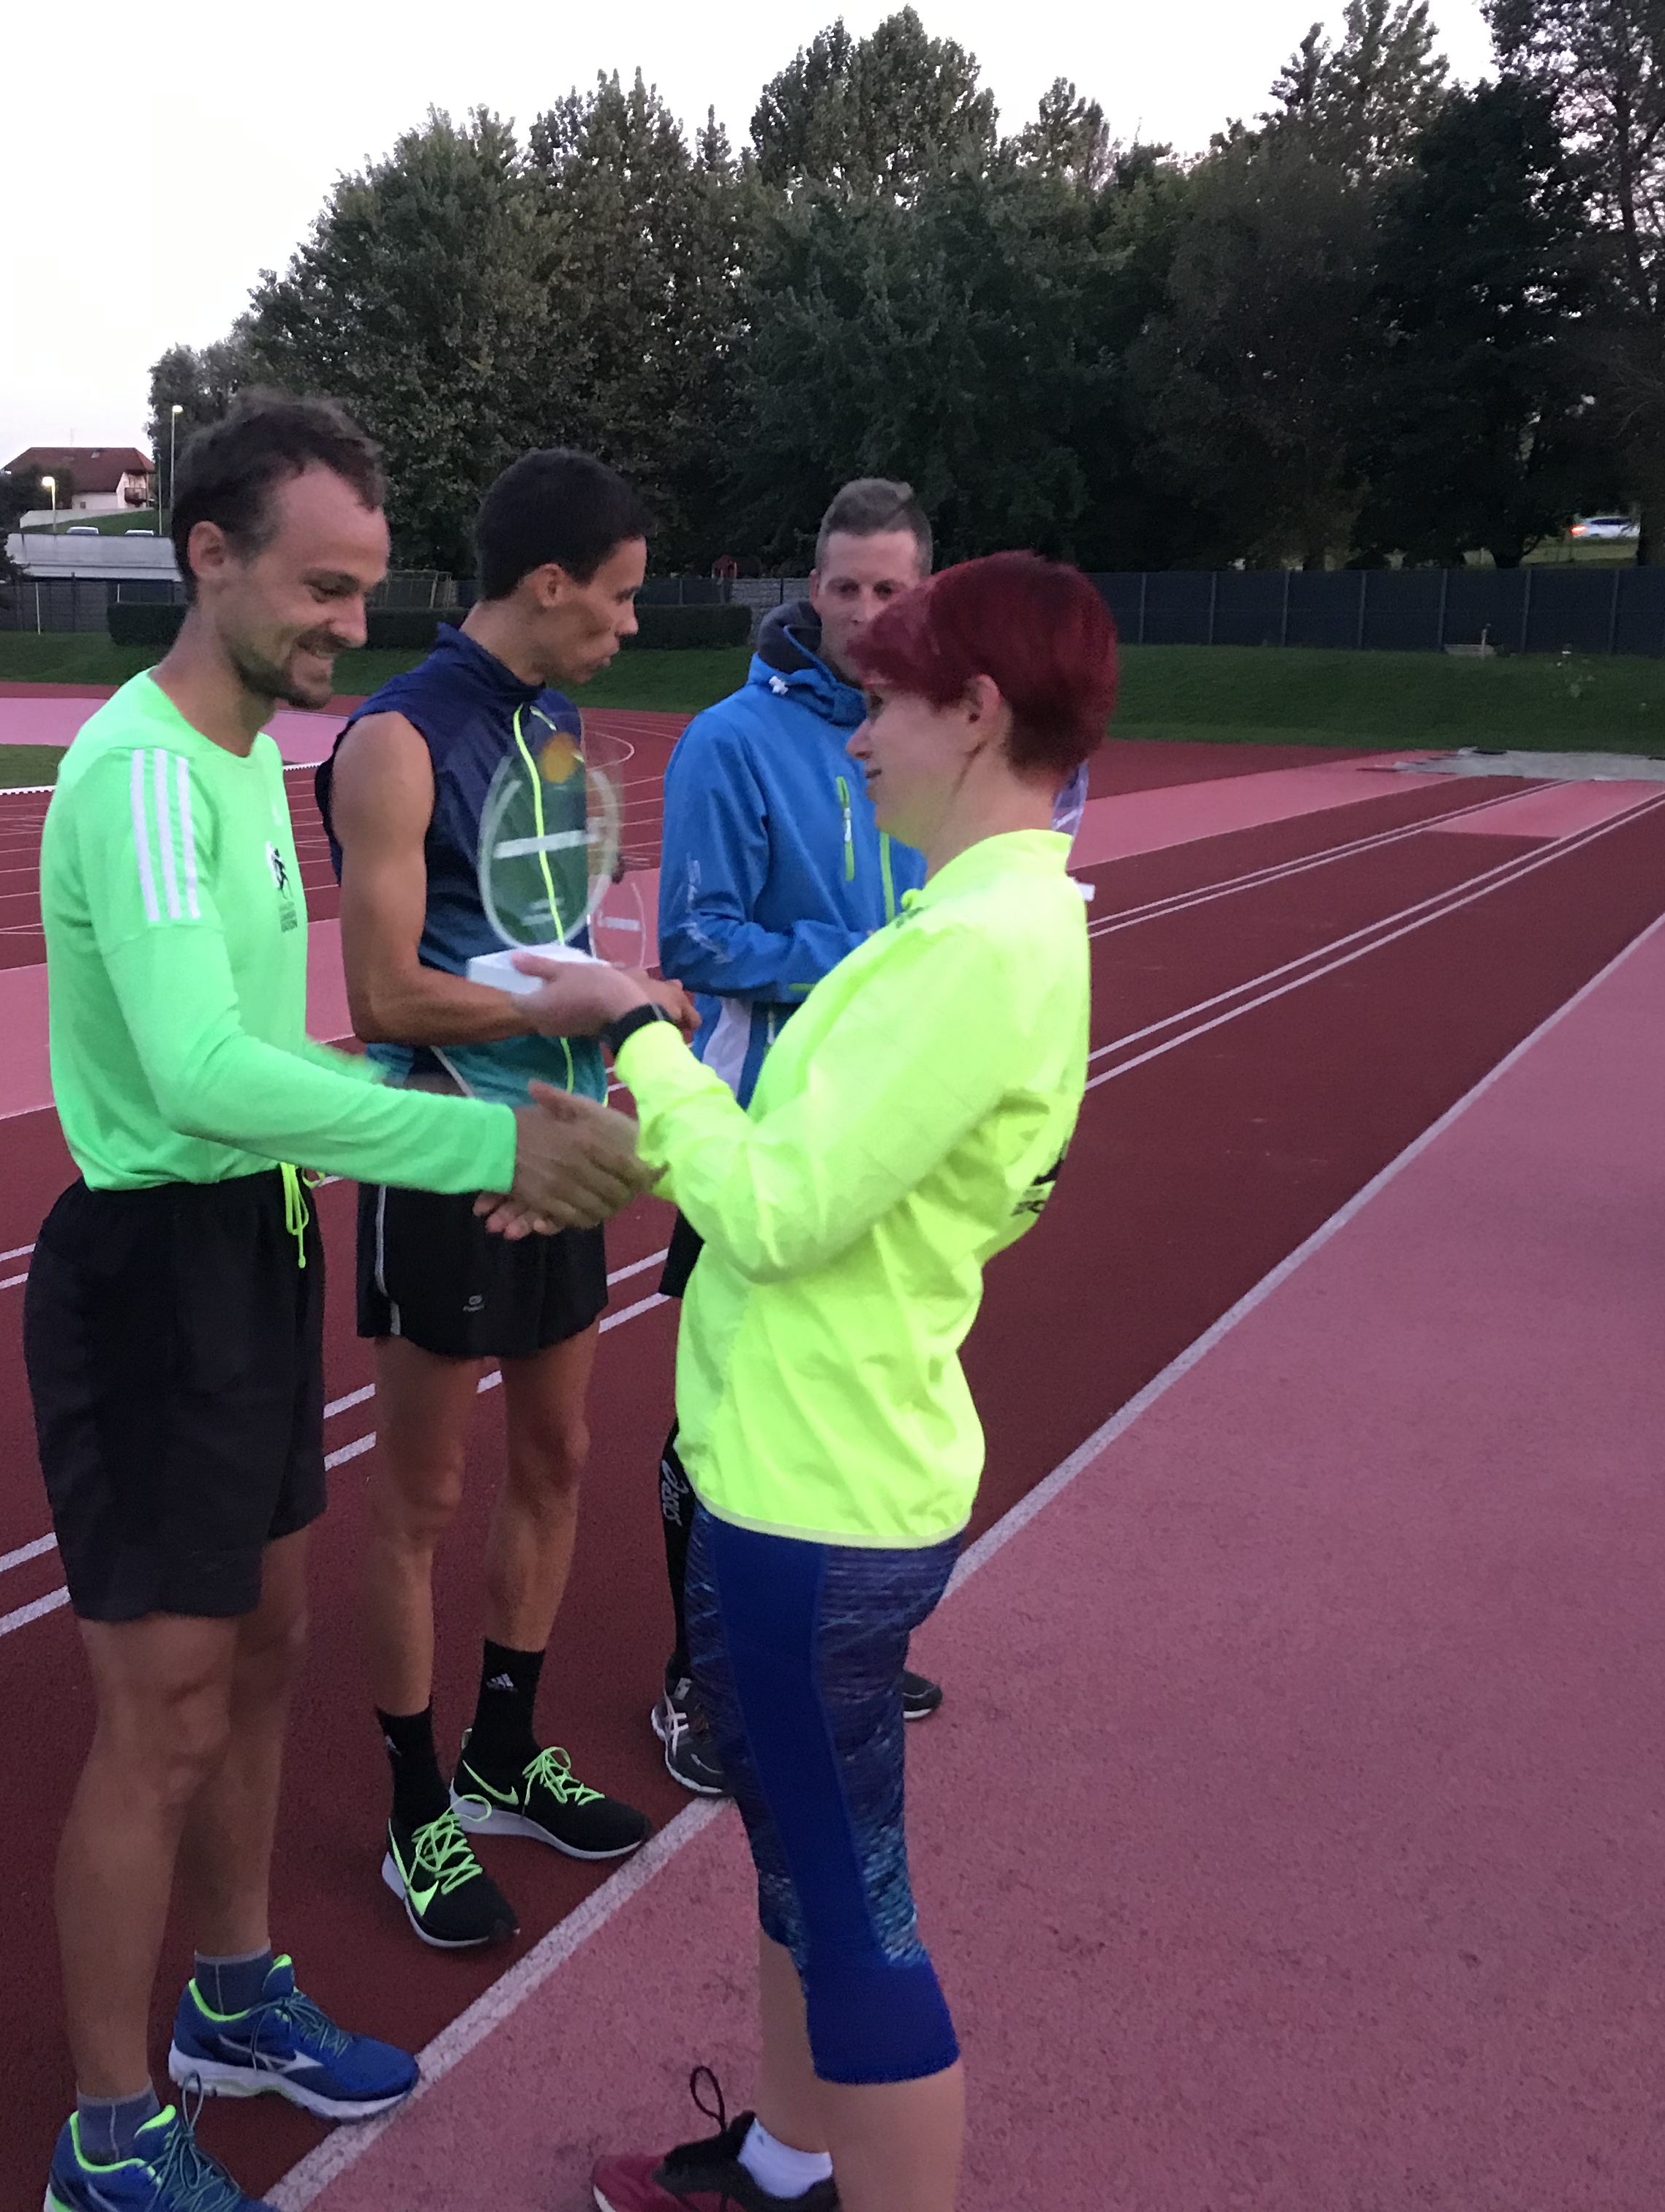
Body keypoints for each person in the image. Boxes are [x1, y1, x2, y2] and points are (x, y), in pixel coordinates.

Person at [22, 396, 649, 2212]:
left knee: (265, 1655)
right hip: (155, 1274)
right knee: (162, 1719)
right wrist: (486, 1143)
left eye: (367, 588)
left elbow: (264, 1048)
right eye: (319, 588)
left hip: (257, 1247)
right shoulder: (147, 773)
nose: (352, 626)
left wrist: (442, 1100)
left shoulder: (234, 762)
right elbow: (200, 1078)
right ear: (207, 556)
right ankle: (108, 2134)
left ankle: (233, 1999)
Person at [518, 552, 1114, 2212]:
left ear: (975, 713)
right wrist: (630, 1150)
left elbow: (777, 1212)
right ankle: (788, 2162)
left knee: (853, 1908)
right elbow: (818, 1172)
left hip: (815, 1488)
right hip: (816, 1452)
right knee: (804, 1861)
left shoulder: (970, 953)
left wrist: (633, 1028)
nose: (858, 739)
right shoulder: (985, 928)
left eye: (887, 704)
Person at [647, 480, 1045, 1796]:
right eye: (846, 588)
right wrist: (882, 960)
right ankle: (697, 1680)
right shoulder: (730, 740)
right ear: (809, 589)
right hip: (762, 1114)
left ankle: (846, 1643)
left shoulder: (948, 733)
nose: (869, 614)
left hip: (905, 1111)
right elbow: (699, 939)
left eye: (894, 590)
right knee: (721, 1411)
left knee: (871, 1376)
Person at [316, 448, 663, 1949]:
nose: (630, 625)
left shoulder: (558, 726)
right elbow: (384, 993)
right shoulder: (394, 741)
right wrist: (582, 1008)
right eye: (620, 597)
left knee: (560, 1452)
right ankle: (416, 1808)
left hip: (564, 1141)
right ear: (549, 583)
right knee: (422, 1494)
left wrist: (608, 1027)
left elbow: (552, 928)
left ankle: (503, 1750)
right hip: (448, 1149)